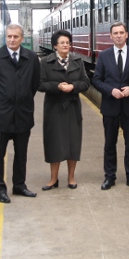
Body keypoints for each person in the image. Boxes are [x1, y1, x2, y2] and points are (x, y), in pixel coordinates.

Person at [0, 24, 41, 203]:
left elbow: (35, 83)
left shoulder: (31, 58)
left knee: (21, 154)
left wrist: (23, 100)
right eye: (9, 36)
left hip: (23, 114)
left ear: (22, 38)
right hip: (0, 116)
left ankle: (19, 185)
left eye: (15, 36)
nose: (12, 40)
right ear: (5, 37)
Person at [92, 22, 129, 190]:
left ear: (127, 35)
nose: (118, 36)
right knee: (110, 143)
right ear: (110, 36)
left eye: (121, 33)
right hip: (110, 106)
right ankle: (110, 177)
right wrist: (110, 90)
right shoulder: (104, 55)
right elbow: (96, 80)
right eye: (115, 33)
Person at [39, 30, 91, 190]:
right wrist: (57, 86)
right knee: (53, 142)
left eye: (67, 43)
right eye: (62, 43)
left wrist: (73, 86)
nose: (65, 45)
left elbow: (86, 82)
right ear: (55, 46)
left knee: (73, 143)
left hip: (72, 108)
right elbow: (39, 84)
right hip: (54, 108)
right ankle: (53, 179)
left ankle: (71, 178)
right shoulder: (45, 62)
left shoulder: (78, 61)